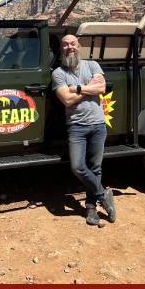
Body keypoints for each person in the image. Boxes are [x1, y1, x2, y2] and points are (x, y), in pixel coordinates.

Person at [52, 34, 116, 225]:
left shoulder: (92, 65)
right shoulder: (58, 73)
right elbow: (67, 99)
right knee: (78, 167)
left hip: (98, 124)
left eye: (72, 43)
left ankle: (91, 209)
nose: (69, 47)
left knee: (95, 167)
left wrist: (76, 88)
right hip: (76, 127)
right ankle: (104, 195)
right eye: (65, 45)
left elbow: (101, 88)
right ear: (61, 49)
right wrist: (88, 88)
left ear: (78, 45)